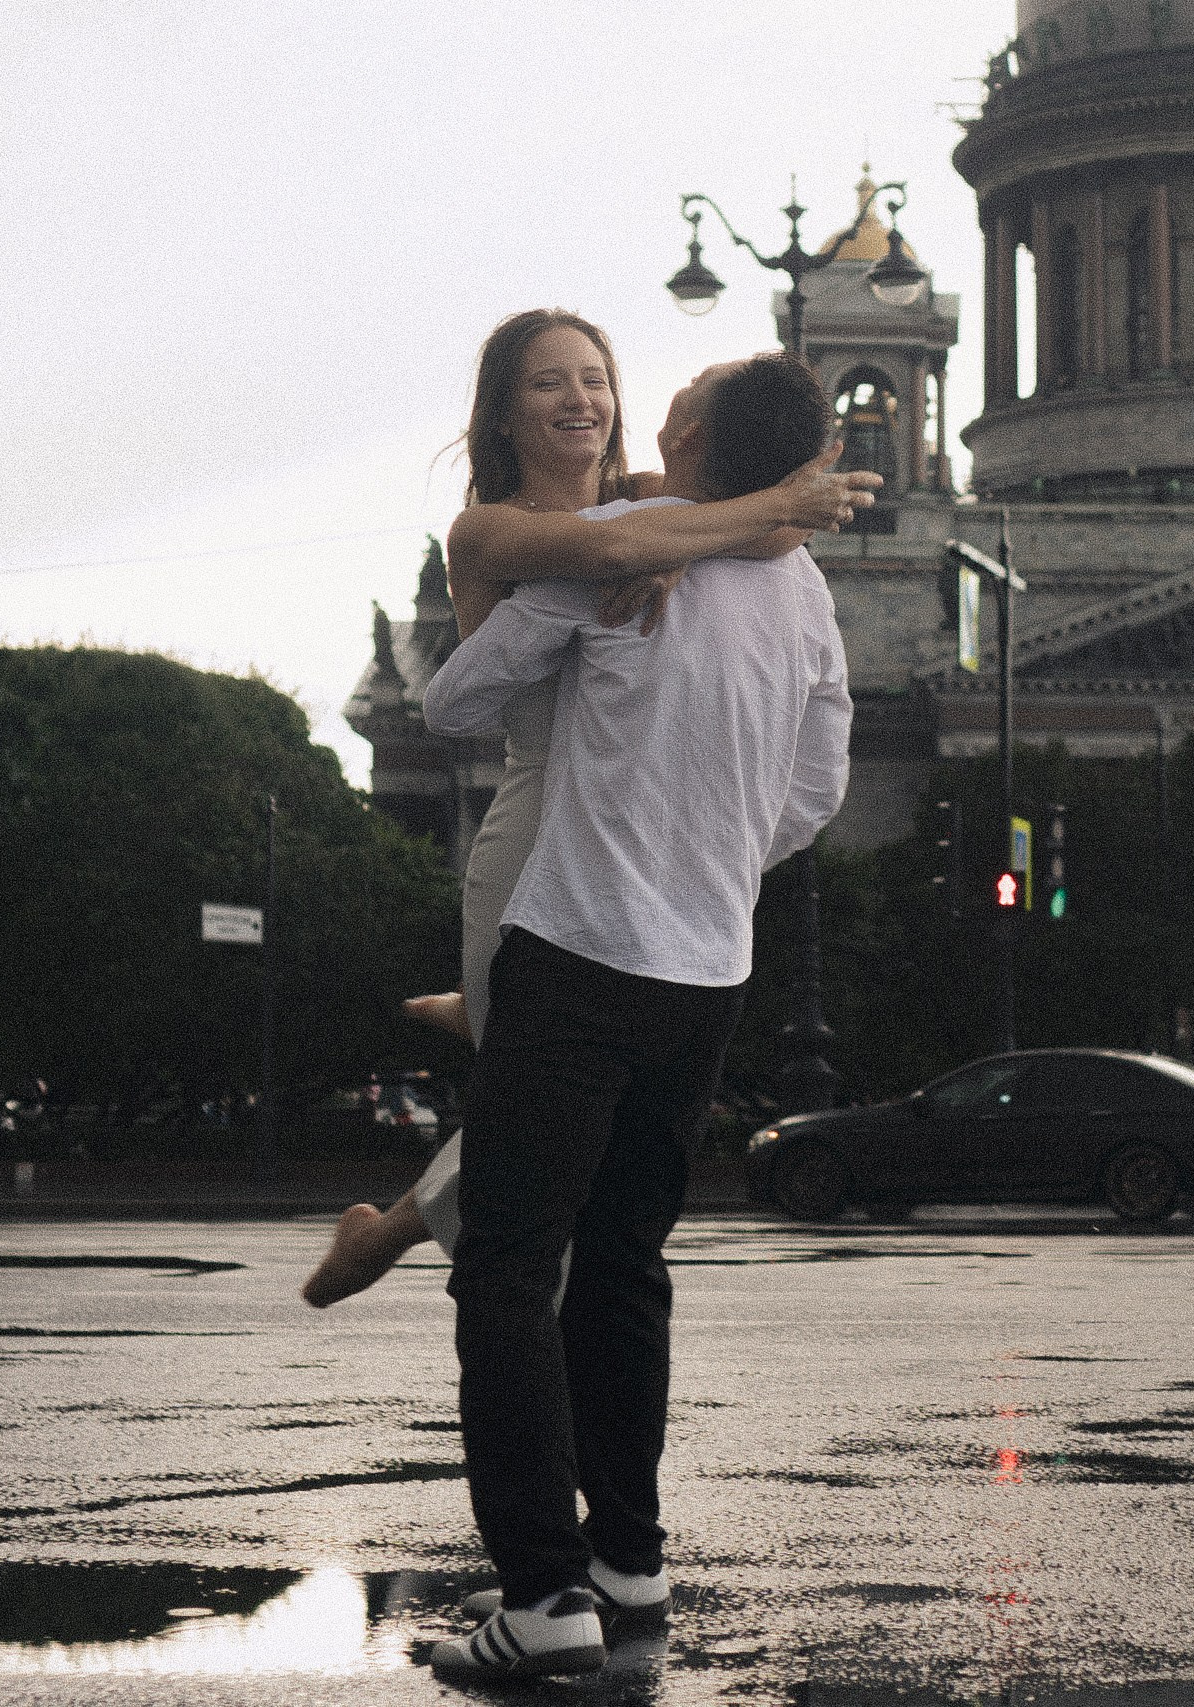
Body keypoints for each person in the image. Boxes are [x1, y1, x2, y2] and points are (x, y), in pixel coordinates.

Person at [418, 352, 852, 1680]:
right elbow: (817, 785)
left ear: (694, 431)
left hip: (581, 951)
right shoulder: (806, 587)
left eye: (673, 400)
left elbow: (454, 703)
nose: (646, 411)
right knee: (626, 1264)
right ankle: (630, 1557)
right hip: (707, 974)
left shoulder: (616, 547)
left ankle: (542, 1591)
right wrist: (712, 859)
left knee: (505, 1265)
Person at [299, 311, 875, 1308]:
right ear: (503, 415)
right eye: (547, 384)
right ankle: (439, 1244)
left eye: (596, 378)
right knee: (541, 1182)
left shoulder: (649, 508)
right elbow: (616, 553)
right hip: (536, 839)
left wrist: (682, 544)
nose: (581, 400)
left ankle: (412, 1199)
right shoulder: (496, 529)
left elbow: (754, 525)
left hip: (626, 845)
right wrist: (662, 544)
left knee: (560, 1144)